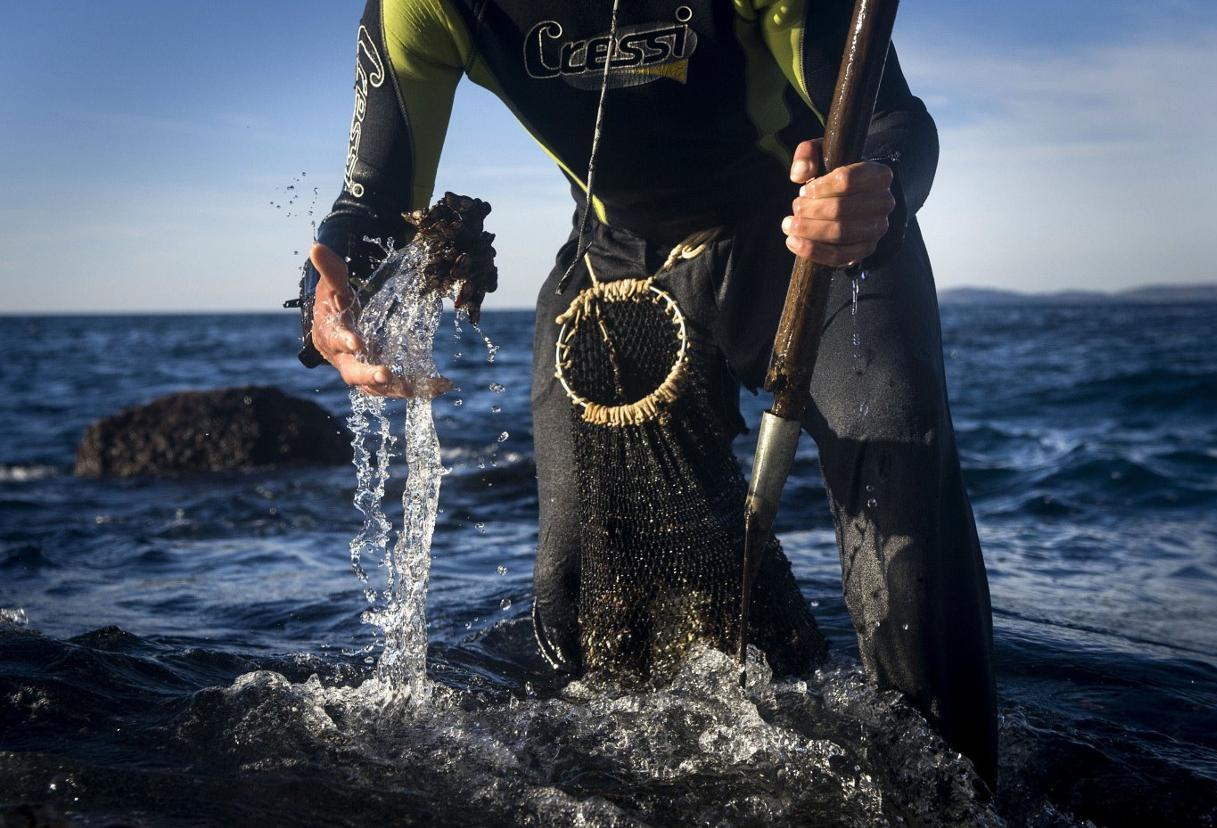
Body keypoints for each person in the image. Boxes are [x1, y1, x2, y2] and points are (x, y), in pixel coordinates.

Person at [297, 0, 998, 788]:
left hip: (815, 240)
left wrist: (881, 189)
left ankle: (957, 795)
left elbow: (893, 118)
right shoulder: (426, 6)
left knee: (905, 540)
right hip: (613, 262)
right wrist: (334, 300)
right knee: (579, 604)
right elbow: (373, 202)